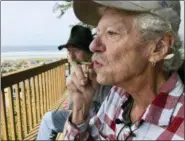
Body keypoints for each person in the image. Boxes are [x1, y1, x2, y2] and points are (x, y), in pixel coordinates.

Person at [64, 0, 184, 140]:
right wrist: (80, 110)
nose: (92, 46)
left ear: (158, 48)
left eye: (111, 33)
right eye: (97, 34)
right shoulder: (118, 94)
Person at [36, 25, 112, 140]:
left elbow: (103, 114)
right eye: (69, 51)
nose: (71, 56)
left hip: (97, 121)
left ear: (90, 50)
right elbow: (74, 105)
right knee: (48, 118)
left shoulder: (104, 73)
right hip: (81, 116)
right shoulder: (80, 71)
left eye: (75, 51)